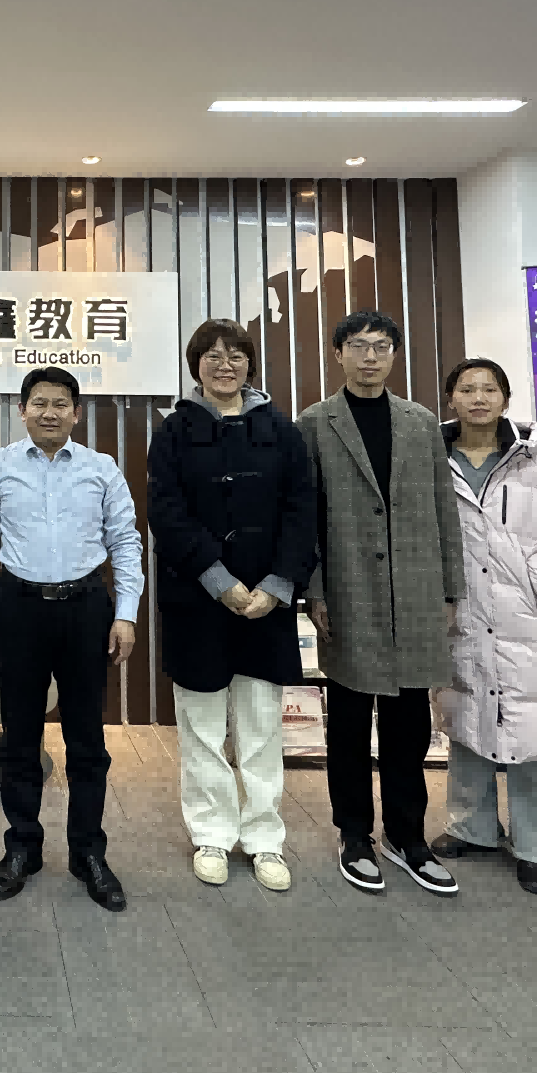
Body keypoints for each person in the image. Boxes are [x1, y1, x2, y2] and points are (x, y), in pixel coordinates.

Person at [148, 319, 320, 893]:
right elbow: (166, 512)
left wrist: (278, 584)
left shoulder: (281, 429)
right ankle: (212, 834)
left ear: (250, 364)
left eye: (237, 355)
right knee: (200, 726)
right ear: (195, 364)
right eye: (213, 356)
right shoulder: (173, 431)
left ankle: (265, 838)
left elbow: (302, 510)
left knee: (262, 726)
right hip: (198, 598)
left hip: (266, 603)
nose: (225, 365)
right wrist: (218, 580)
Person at [299, 309, 466, 897]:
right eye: (358, 346)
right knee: (347, 720)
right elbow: (306, 515)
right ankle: (354, 835)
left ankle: (408, 836)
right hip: (349, 587)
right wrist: (315, 588)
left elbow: (445, 508)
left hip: (416, 588)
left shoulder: (421, 422)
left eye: (381, 346)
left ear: (394, 355)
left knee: (409, 722)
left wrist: (450, 588)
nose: (370, 357)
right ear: (338, 354)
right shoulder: (315, 423)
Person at [0, 366, 143, 912]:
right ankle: (22, 846)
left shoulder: (101, 468)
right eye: (39, 403)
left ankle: (88, 852)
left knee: (86, 739)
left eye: (60, 403)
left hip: (86, 608)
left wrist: (126, 614)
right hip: (19, 607)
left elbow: (126, 542)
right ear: (22, 410)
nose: (50, 412)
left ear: (76, 412)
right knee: (19, 737)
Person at [428, 358, 537, 896]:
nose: (478, 398)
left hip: (529, 620)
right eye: (467, 389)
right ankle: (472, 828)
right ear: (451, 399)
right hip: (461, 614)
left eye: (489, 389)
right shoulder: (432, 460)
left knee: (533, 733)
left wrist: (533, 579)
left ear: (505, 399)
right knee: (467, 723)